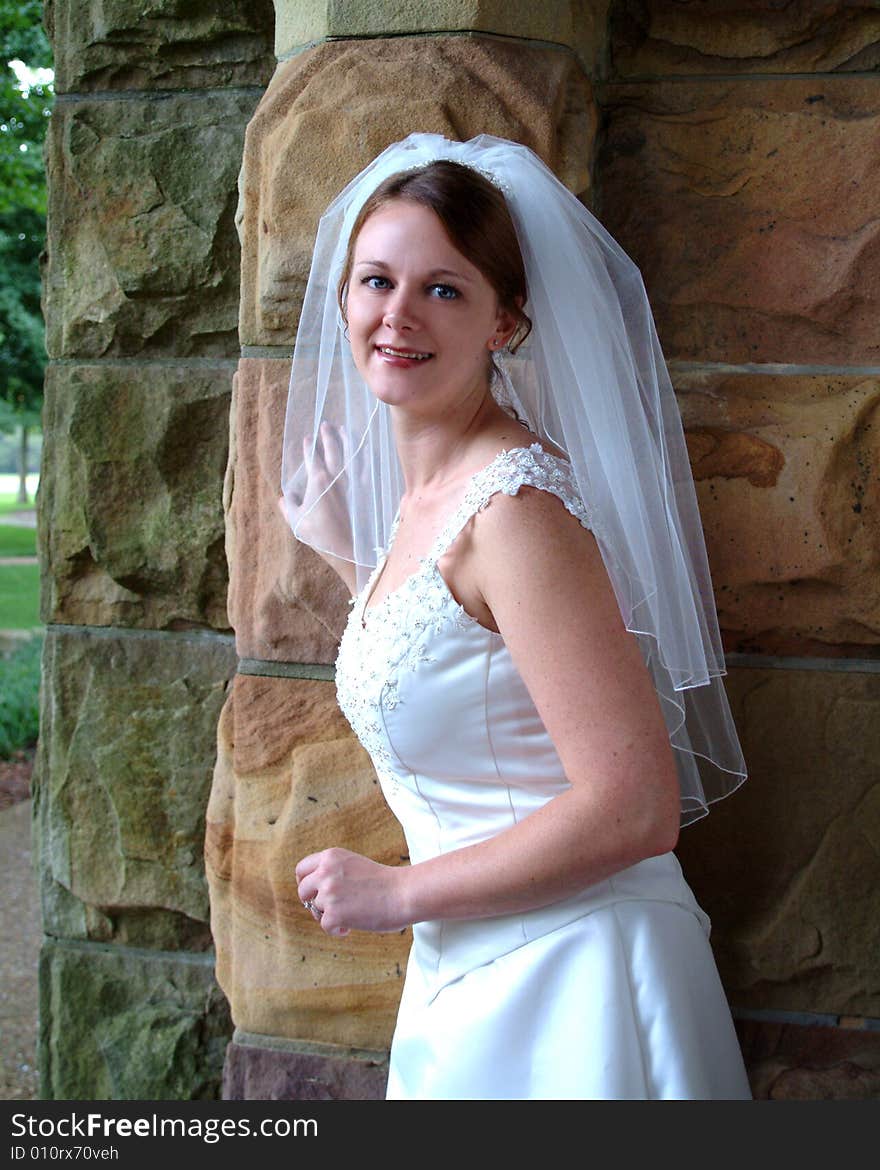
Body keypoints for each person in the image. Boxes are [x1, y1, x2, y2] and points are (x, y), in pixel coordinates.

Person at [280, 134, 751, 1100]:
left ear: (505, 321)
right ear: (343, 298)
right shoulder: (430, 509)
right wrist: (348, 559)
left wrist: (395, 892)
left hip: (577, 985)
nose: (398, 315)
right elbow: (463, 667)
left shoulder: (517, 512)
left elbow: (634, 806)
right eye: (377, 281)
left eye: (444, 290)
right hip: (471, 978)